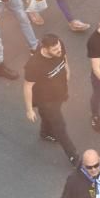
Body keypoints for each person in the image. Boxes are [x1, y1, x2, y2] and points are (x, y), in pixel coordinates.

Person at [24, 33, 78, 164]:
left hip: (60, 92)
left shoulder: (59, 46)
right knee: (60, 126)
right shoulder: (34, 64)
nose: (58, 50)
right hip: (46, 99)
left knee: (47, 116)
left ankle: (45, 133)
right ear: (46, 49)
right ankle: (73, 156)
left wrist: (67, 74)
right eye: (54, 50)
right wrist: (29, 109)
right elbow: (27, 86)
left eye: (59, 47)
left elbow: (64, 59)